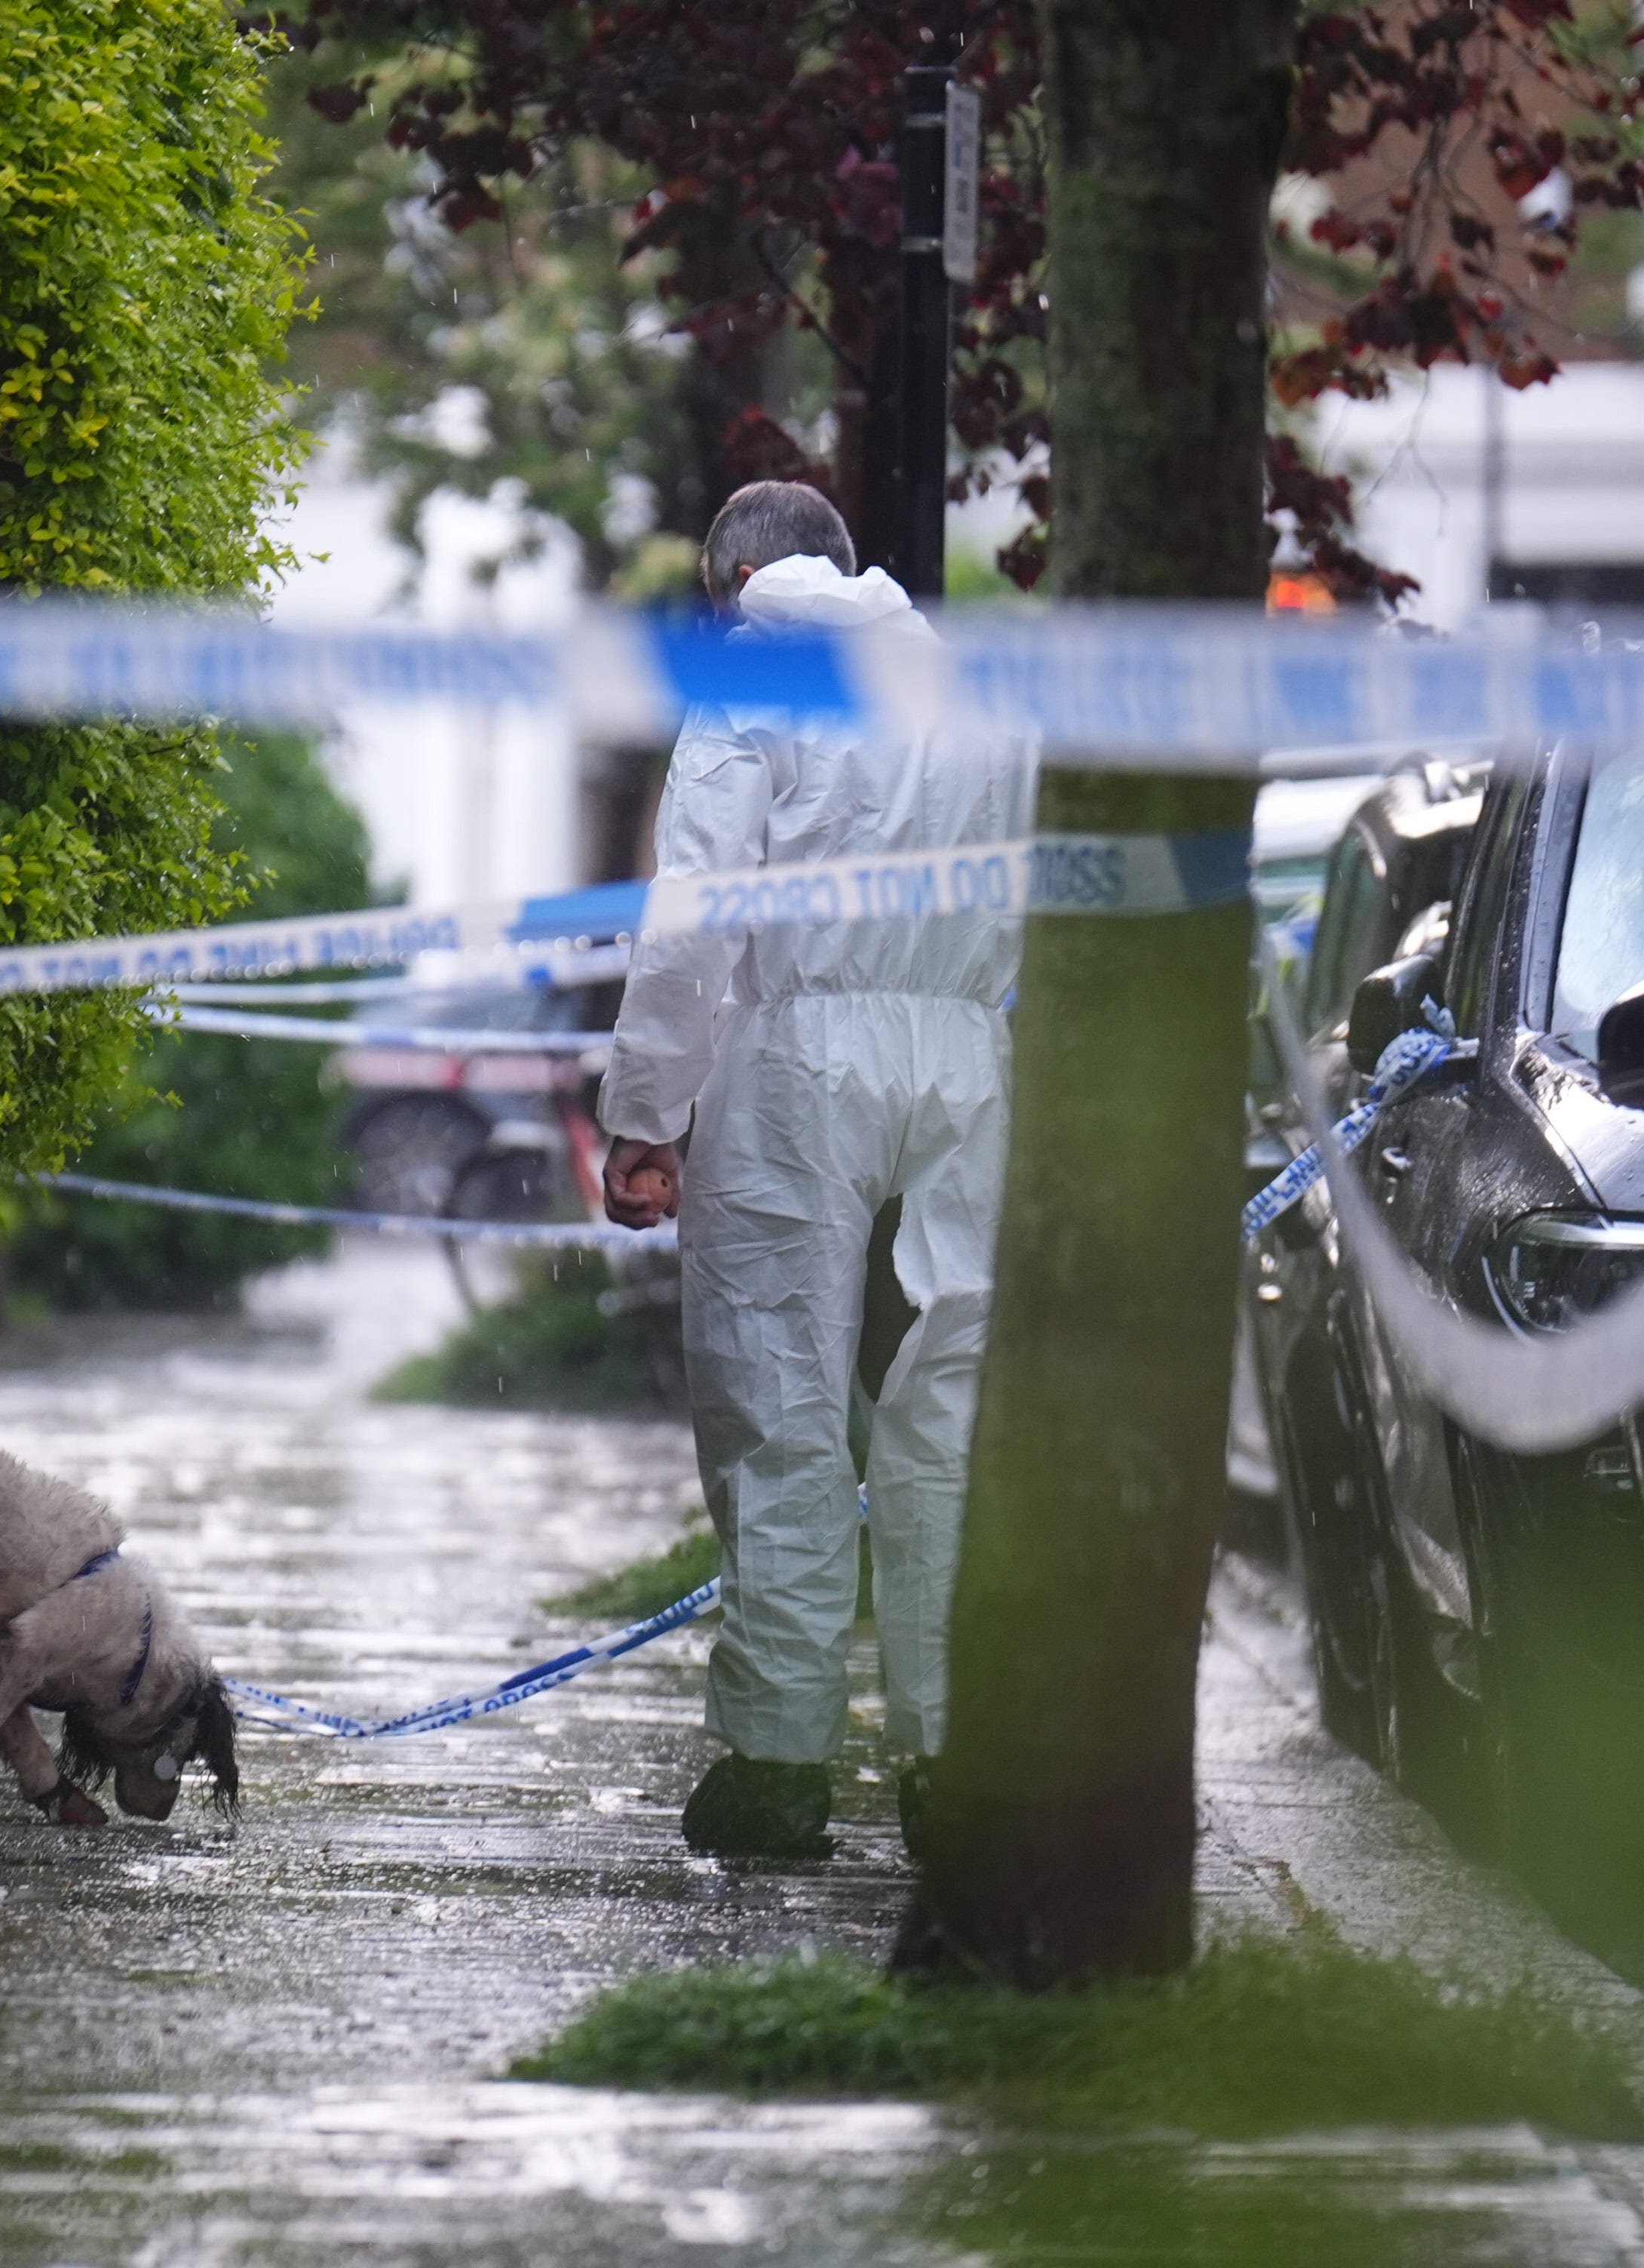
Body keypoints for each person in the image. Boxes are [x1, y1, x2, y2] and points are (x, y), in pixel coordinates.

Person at [598, 481, 1032, 1859]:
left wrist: (644, 1113)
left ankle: (781, 1770)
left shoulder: (749, 689)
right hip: (970, 1058)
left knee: (781, 1400)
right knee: (950, 1411)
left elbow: (693, 923)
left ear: (733, 581)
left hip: (798, 1059)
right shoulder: (979, 691)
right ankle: (953, 1756)